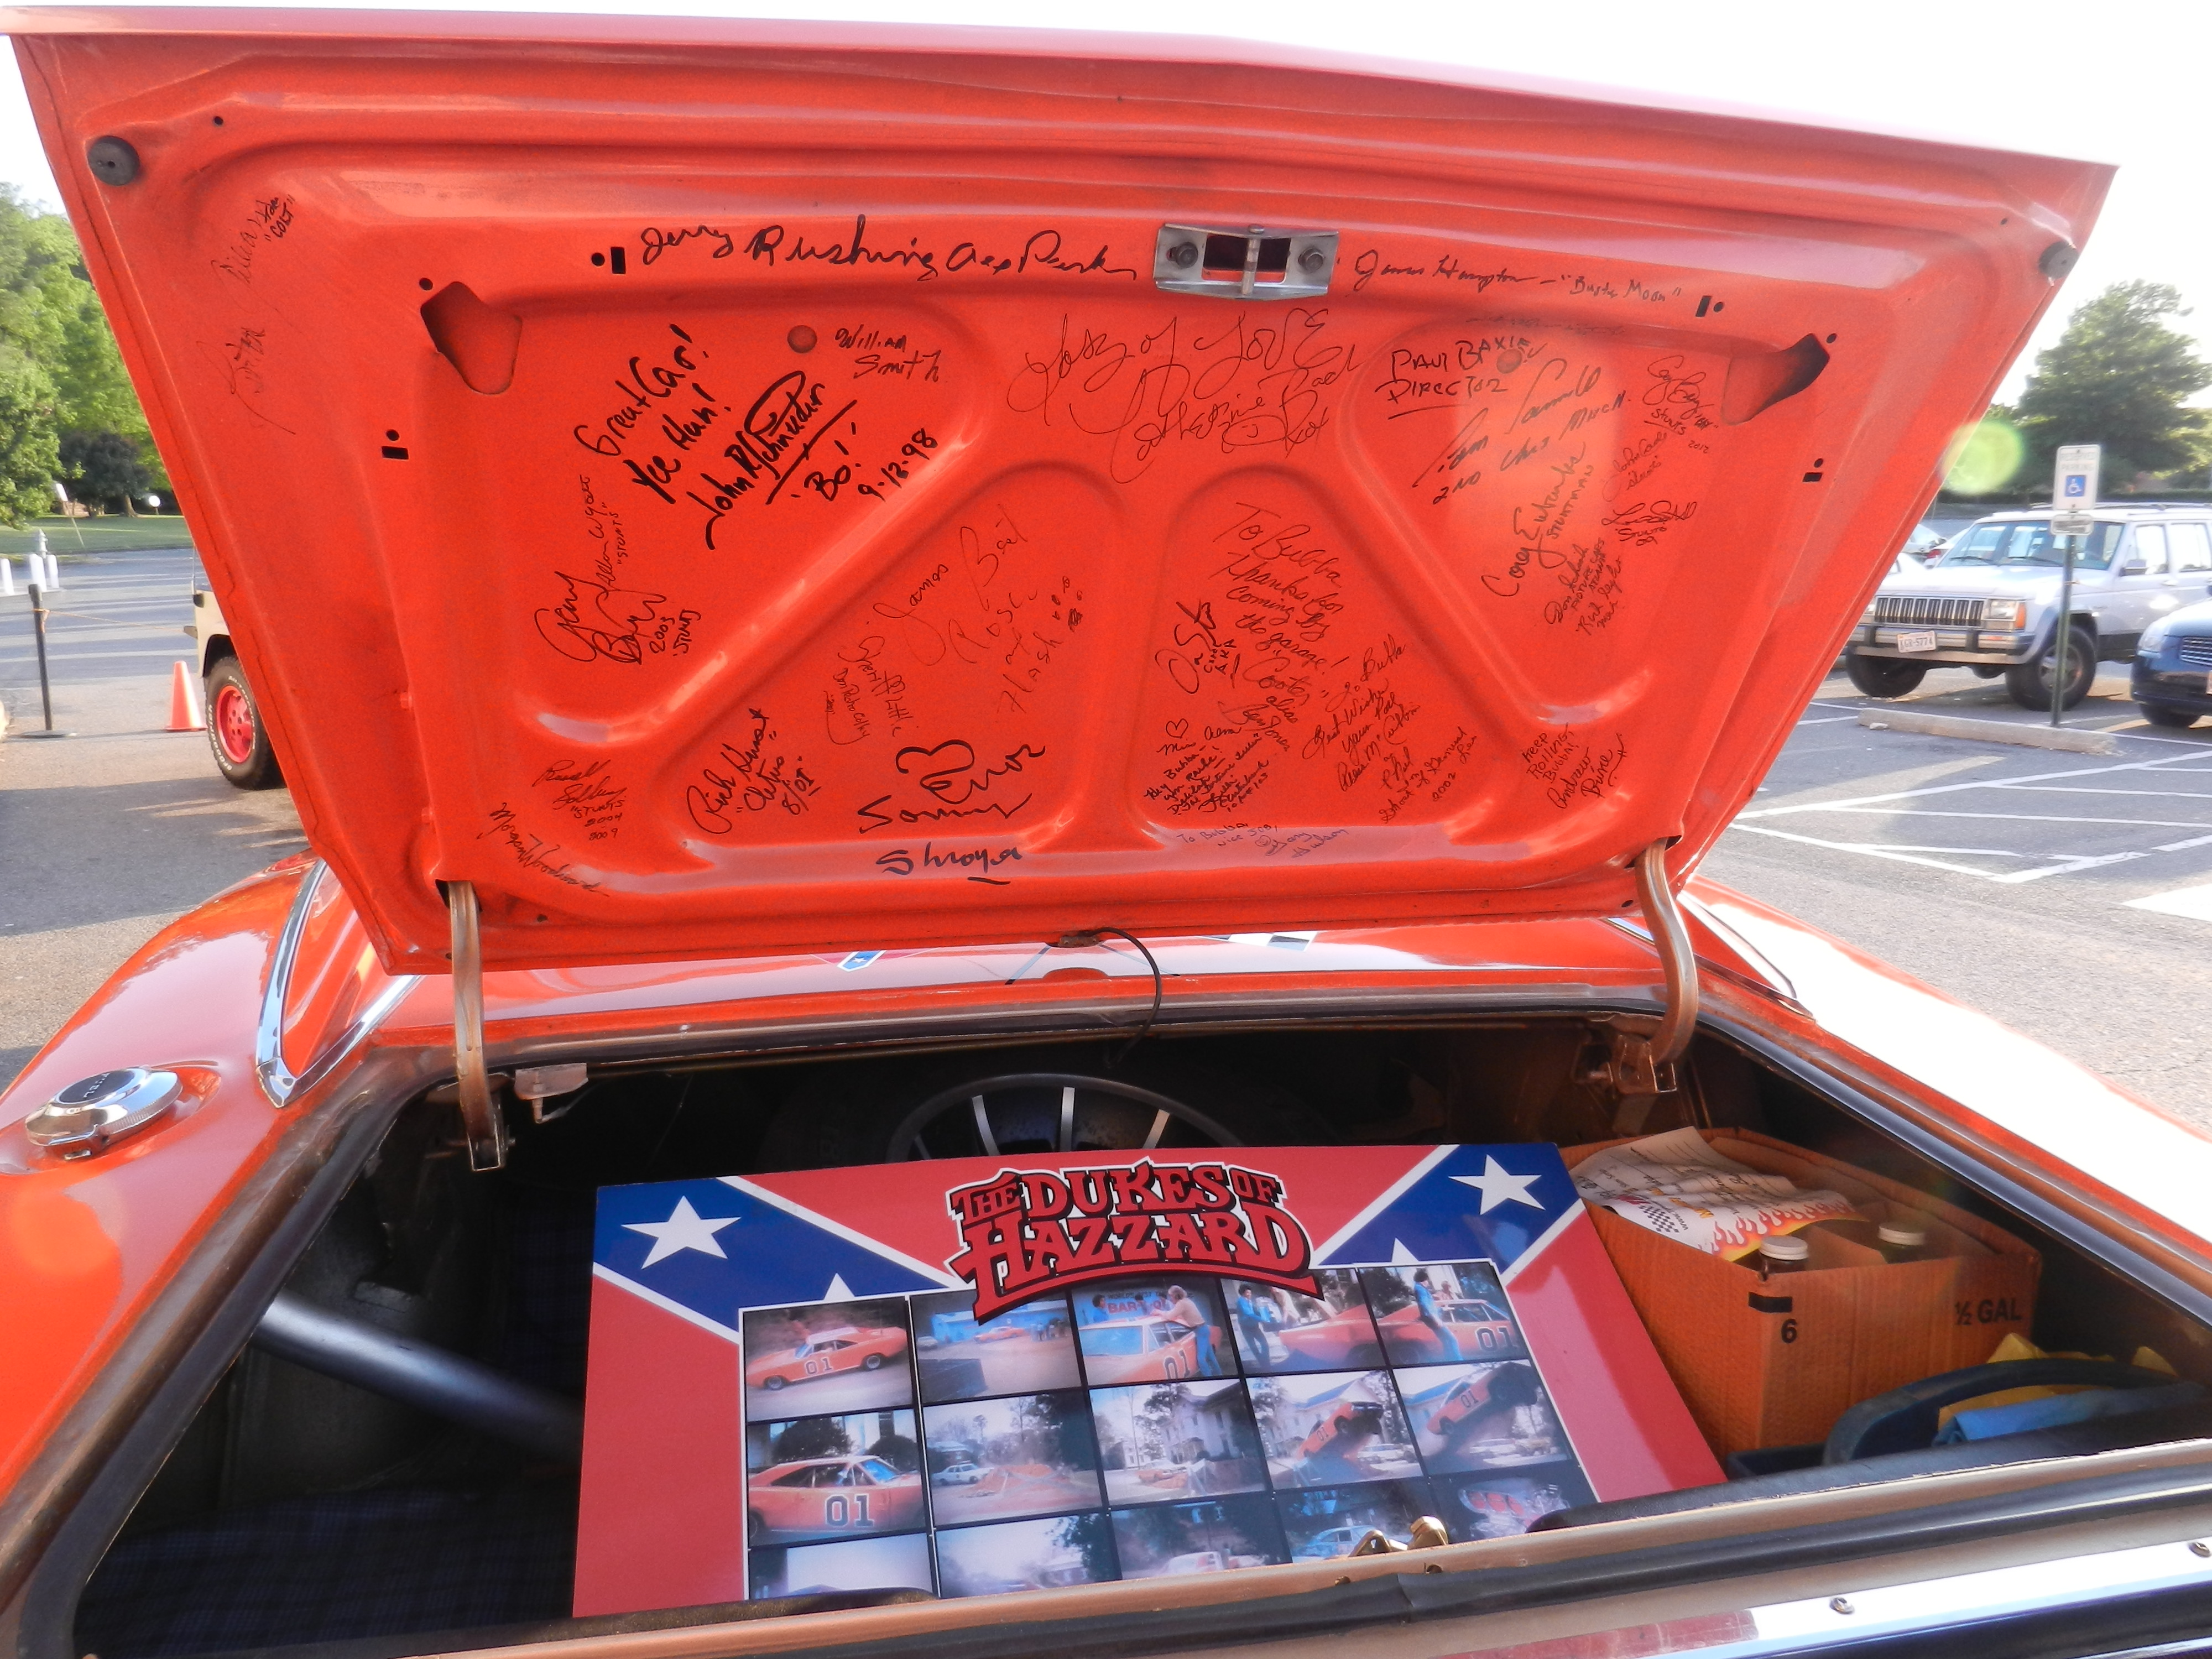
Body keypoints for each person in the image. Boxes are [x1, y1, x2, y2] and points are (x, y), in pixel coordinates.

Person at [1166, 1284, 1220, 1375]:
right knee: (1211, 1357)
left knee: (1201, 1360)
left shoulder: (1181, 1304)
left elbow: (1169, 1316)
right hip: (1203, 1329)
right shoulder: (1187, 1301)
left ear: (1175, 1296)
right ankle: (1219, 1375)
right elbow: (1181, 1315)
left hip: (1200, 1331)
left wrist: (1158, 1312)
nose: (1170, 1299)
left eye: (1171, 1296)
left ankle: (1209, 1378)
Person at [1412, 1269, 1462, 1361]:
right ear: (1423, 1280)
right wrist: (1435, 1319)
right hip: (1432, 1319)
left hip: (1430, 1318)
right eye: (1427, 1280)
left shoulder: (1420, 1288)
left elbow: (1429, 1306)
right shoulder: (1420, 1289)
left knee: (1446, 1340)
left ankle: (1450, 1360)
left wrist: (1442, 1309)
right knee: (1452, 1339)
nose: (1428, 1282)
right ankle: (1458, 1361)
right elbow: (1424, 1305)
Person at [1232, 1285, 1270, 1368]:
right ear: (1243, 1293)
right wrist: (1262, 1319)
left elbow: (1256, 1311)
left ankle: (1265, 1361)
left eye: (1250, 1293)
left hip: (1255, 1326)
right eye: (1247, 1293)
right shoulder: (1241, 1301)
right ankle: (1263, 1363)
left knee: (1264, 1343)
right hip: (1246, 1327)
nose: (1250, 1294)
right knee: (1253, 1347)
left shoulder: (1250, 1301)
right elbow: (1249, 1313)